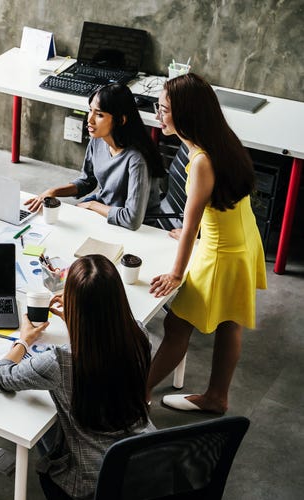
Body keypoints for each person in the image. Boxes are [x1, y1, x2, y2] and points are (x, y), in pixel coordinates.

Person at [147, 73, 267, 414]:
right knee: (231, 321)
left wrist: (175, 274)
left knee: (176, 326)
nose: (159, 115)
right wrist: (199, 235)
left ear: (186, 114)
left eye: (164, 109)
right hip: (244, 242)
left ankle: (136, 395)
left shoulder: (200, 161)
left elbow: (189, 225)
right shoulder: (223, 139)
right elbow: (216, 207)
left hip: (222, 253)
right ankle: (216, 397)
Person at [0, 255, 154, 500]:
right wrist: (80, 320)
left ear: (73, 303)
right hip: (145, 461)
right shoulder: (140, 334)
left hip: (91, 483)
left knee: (41, 421)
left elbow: (2, 377)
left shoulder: (58, 361)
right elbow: (105, 355)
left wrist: (24, 340)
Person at [25, 83, 164, 230]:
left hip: (137, 228)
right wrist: (53, 192)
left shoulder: (137, 160)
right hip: (105, 208)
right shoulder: (98, 139)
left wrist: (92, 205)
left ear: (121, 120)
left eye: (99, 115)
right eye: (90, 110)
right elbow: (87, 181)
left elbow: (132, 220)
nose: (90, 120)